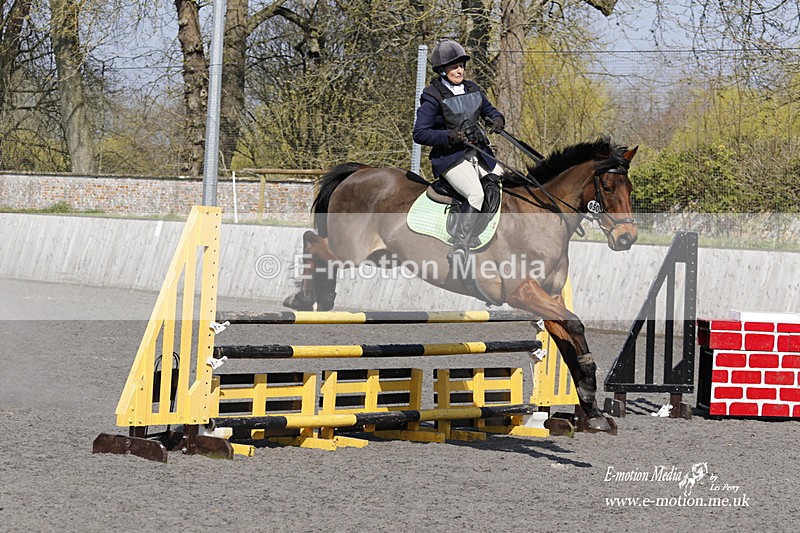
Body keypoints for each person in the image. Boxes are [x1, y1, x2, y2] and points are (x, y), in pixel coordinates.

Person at [412, 39, 505, 267]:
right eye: (454, 66)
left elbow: (490, 110)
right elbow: (419, 133)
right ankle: (459, 247)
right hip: (450, 159)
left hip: (478, 153)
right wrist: (449, 137)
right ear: (443, 69)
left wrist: (497, 119)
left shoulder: (473, 89)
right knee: (476, 194)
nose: (459, 70)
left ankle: (482, 234)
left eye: (461, 65)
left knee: (500, 179)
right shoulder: (432, 96)